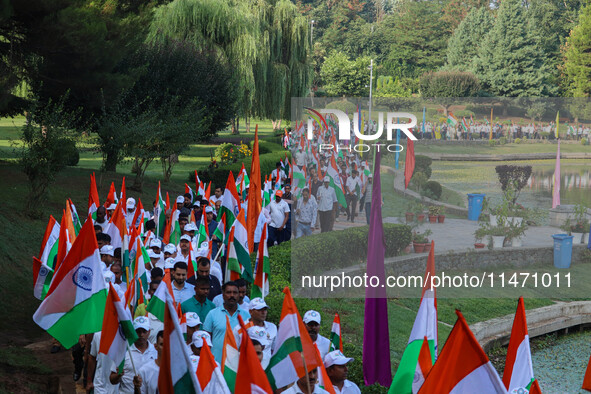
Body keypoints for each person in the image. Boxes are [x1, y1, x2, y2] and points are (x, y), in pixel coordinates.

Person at [202, 281, 250, 363]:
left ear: (238, 295)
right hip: (217, 364)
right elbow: (205, 341)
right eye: (228, 292)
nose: (232, 295)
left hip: (238, 366)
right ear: (223, 295)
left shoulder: (246, 316)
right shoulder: (212, 314)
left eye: (235, 293)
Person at [110, 316, 157, 394]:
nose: (141, 335)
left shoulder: (155, 351)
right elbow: (112, 379)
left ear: (149, 332)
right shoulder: (123, 351)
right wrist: (118, 375)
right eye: (138, 331)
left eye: (144, 331)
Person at [233, 297, 277, 369]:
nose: (263, 312)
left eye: (265, 309)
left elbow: (274, 350)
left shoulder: (273, 327)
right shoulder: (239, 329)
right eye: (259, 310)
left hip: (267, 370)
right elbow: (234, 352)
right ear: (250, 312)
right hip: (248, 369)